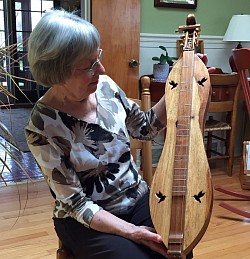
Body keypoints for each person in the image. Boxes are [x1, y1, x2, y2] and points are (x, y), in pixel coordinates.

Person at [25, 9, 212, 259]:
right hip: (86, 219)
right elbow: (76, 204)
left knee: (178, 243)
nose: (101, 69)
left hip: (137, 197)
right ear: (58, 73)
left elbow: (144, 127)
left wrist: (185, 82)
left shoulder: (105, 87)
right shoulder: (41, 126)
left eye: (98, 57)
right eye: (89, 65)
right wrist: (133, 232)